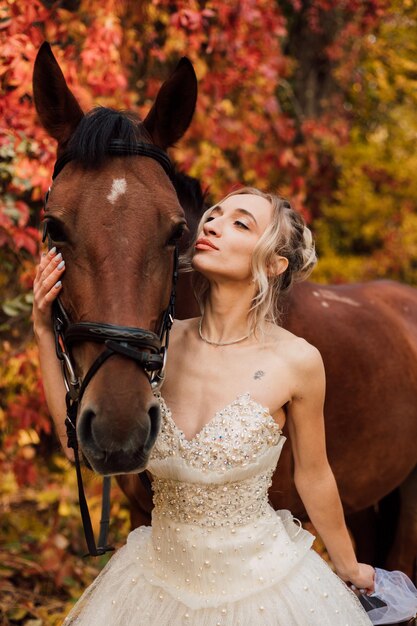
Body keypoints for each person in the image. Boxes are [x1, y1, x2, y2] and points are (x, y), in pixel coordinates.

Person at [33, 187, 375, 625]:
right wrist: (44, 330)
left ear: (273, 264)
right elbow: (75, 449)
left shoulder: (298, 361)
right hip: (153, 589)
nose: (212, 224)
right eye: (213, 215)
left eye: (240, 223)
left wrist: (348, 566)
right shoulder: (157, 348)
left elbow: (314, 474)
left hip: (266, 594)